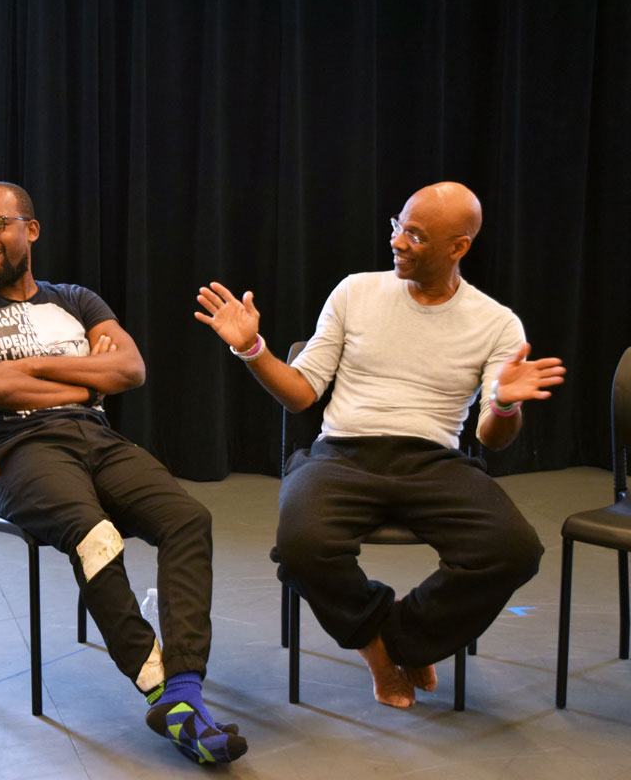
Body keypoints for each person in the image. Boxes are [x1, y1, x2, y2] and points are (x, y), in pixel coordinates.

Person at [196, 181, 566, 708]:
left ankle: (399, 639)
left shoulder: (496, 322)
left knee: (514, 550)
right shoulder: (355, 292)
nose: (396, 241)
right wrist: (253, 349)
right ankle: (377, 649)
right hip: (344, 452)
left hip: (434, 460)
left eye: (414, 235)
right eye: (397, 225)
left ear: (458, 246)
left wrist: (504, 403)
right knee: (302, 548)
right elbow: (302, 395)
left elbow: (493, 438)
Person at [0, 181, 247, 765]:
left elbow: (129, 368)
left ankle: (183, 692)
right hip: (17, 450)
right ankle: (164, 692)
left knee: (187, 519)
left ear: (32, 229)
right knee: (94, 535)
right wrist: (82, 378)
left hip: (98, 440)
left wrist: (37, 366)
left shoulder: (76, 298)